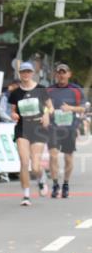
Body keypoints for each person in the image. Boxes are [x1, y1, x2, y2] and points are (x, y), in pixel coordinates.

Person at [9, 62, 52, 206]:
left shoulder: (41, 89)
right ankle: (26, 195)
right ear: (19, 74)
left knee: (35, 167)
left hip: (38, 127)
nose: (25, 74)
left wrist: (45, 114)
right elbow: (13, 110)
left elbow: (50, 107)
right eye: (23, 72)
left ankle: (41, 179)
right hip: (22, 128)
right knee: (24, 162)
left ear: (32, 73)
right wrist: (14, 115)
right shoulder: (15, 93)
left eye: (28, 72)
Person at [46, 63, 85, 199]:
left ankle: (66, 184)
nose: (61, 75)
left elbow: (83, 109)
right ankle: (56, 184)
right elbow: (43, 107)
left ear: (69, 74)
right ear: (56, 75)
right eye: (59, 72)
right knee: (53, 155)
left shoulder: (76, 90)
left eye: (64, 72)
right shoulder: (49, 90)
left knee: (68, 158)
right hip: (53, 128)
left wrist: (71, 108)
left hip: (69, 128)